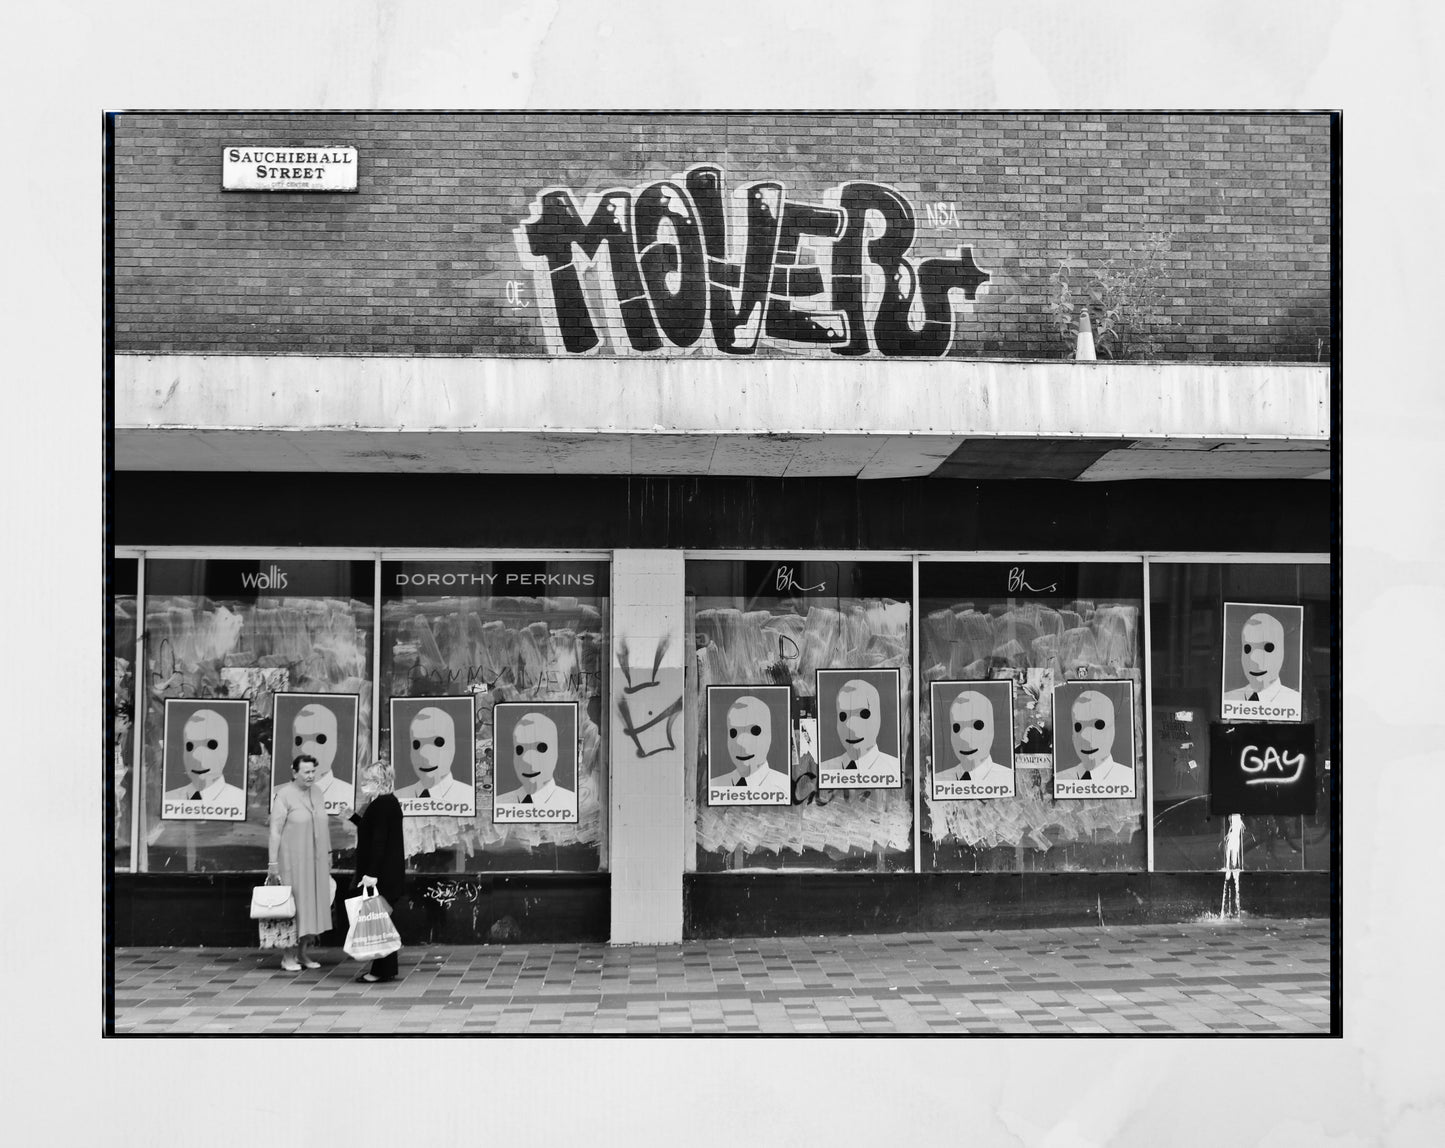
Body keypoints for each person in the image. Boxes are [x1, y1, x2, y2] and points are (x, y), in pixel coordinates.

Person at [267, 753, 334, 972]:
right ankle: (288, 955)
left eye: (313, 771)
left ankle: (303, 952)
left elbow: (323, 825)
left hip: (316, 862)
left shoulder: (317, 792)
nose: (311, 776)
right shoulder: (284, 795)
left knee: (312, 907)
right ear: (294, 772)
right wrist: (272, 863)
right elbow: (275, 831)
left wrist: (329, 852)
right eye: (306, 772)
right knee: (294, 908)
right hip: (293, 863)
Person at [347, 763, 406, 984]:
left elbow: (379, 841)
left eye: (367, 780)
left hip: (382, 875)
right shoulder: (386, 802)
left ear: (379, 782)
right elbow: (372, 831)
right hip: (387, 874)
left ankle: (381, 970)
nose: (363, 784)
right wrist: (353, 817)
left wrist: (371, 874)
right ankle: (384, 969)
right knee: (382, 922)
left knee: (381, 922)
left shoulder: (382, 804)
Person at [163, 707, 246, 810]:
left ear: (226, 750)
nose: (197, 755)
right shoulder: (168, 800)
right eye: (190, 746)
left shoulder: (240, 801)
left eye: (211, 745)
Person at [819, 678, 901, 776]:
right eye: (843, 716)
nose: (850, 725)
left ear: (878, 718)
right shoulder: (823, 770)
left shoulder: (895, 770)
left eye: (864, 714)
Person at [712, 695, 790, 797]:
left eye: (755, 731)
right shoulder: (713, 787)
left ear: (770, 736)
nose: (740, 742)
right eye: (733, 733)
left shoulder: (786, 788)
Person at [1223, 612, 1302, 709]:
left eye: (1268, 648)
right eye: (1247, 648)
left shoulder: (1296, 702)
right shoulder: (1227, 700)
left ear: (1282, 652)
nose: (1253, 658)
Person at [496, 711, 577, 807]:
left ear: (555, 752)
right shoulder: (499, 803)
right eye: (519, 750)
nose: (526, 759)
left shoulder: (572, 803)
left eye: (541, 748)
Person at [393, 706, 472, 802]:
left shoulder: (470, 798)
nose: (423, 754)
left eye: (438, 743)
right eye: (416, 745)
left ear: (453, 747)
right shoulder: (398, 798)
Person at [935, 690, 1013, 786]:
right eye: (956, 727)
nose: (963, 737)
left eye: (977, 725)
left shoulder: (1010, 780)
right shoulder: (937, 781)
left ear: (992, 730)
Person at [1055, 690, 1133, 785]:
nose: (1085, 736)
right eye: (1078, 727)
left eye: (1098, 725)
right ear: (1073, 736)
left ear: (1112, 731)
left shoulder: (1129, 780)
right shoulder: (1059, 781)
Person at [289, 701, 353, 810]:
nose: (305, 749)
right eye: (299, 740)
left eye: (319, 739)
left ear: (335, 743)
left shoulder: (348, 794)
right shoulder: (279, 795)